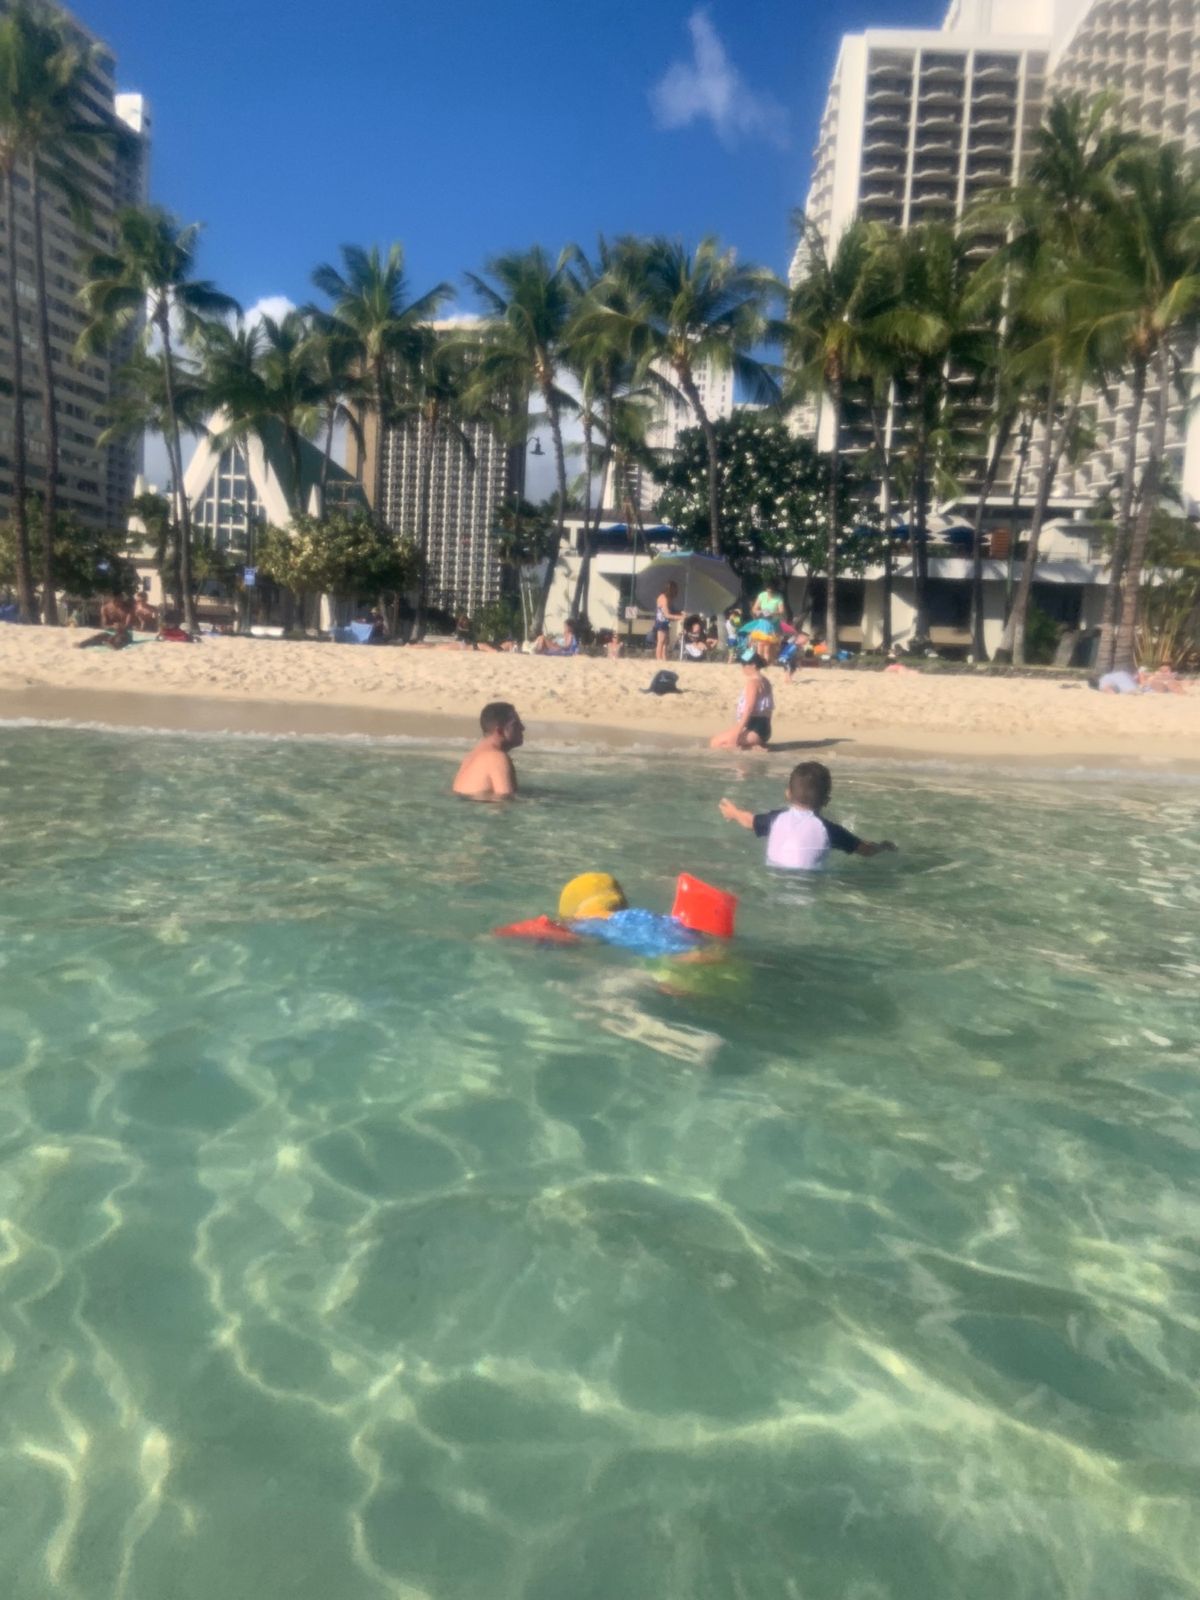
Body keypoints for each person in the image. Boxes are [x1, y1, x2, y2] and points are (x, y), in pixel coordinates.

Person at [720, 761, 896, 870]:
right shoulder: (830, 830)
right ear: (826, 801)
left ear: (788, 794)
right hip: (809, 888)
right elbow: (866, 850)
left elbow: (749, 821)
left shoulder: (775, 819)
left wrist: (733, 812)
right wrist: (883, 847)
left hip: (774, 879)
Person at [452, 701, 524, 799]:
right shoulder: (497, 758)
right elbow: (506, 801)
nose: (522, 728)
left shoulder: (472, 755)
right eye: (516, 724)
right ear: (499, 731)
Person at [710, 650, 774, 750]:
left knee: (715, 743)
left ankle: (750, 747)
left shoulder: (753, 683)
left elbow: (749, 709)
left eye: (744, 665)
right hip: (764, 728)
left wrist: (736, 733)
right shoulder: (765, 681)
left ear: (753, 665)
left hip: (754, 728)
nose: (742, 668)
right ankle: (753, 746)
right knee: (724, 742)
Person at [653, 581, 682, 661]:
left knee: (665, 642)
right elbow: (667, 614)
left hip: (665, 622)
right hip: (661, 622)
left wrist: (680, 612)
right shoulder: (663, 598)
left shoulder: (667, 599)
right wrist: (679, 617)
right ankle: (659, 658)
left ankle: (664, 658)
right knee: (661, 641)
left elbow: (671, 611)